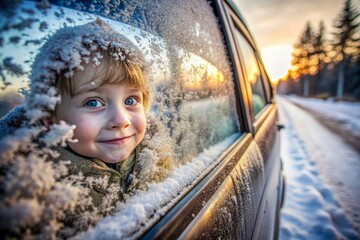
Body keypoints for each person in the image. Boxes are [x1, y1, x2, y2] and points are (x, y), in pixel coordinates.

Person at [0, 18, 150, 207]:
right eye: (93, 102)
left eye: (131, 100)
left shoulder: (155, 156)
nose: (121, 120)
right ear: (50, 119)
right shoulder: (31, 195)